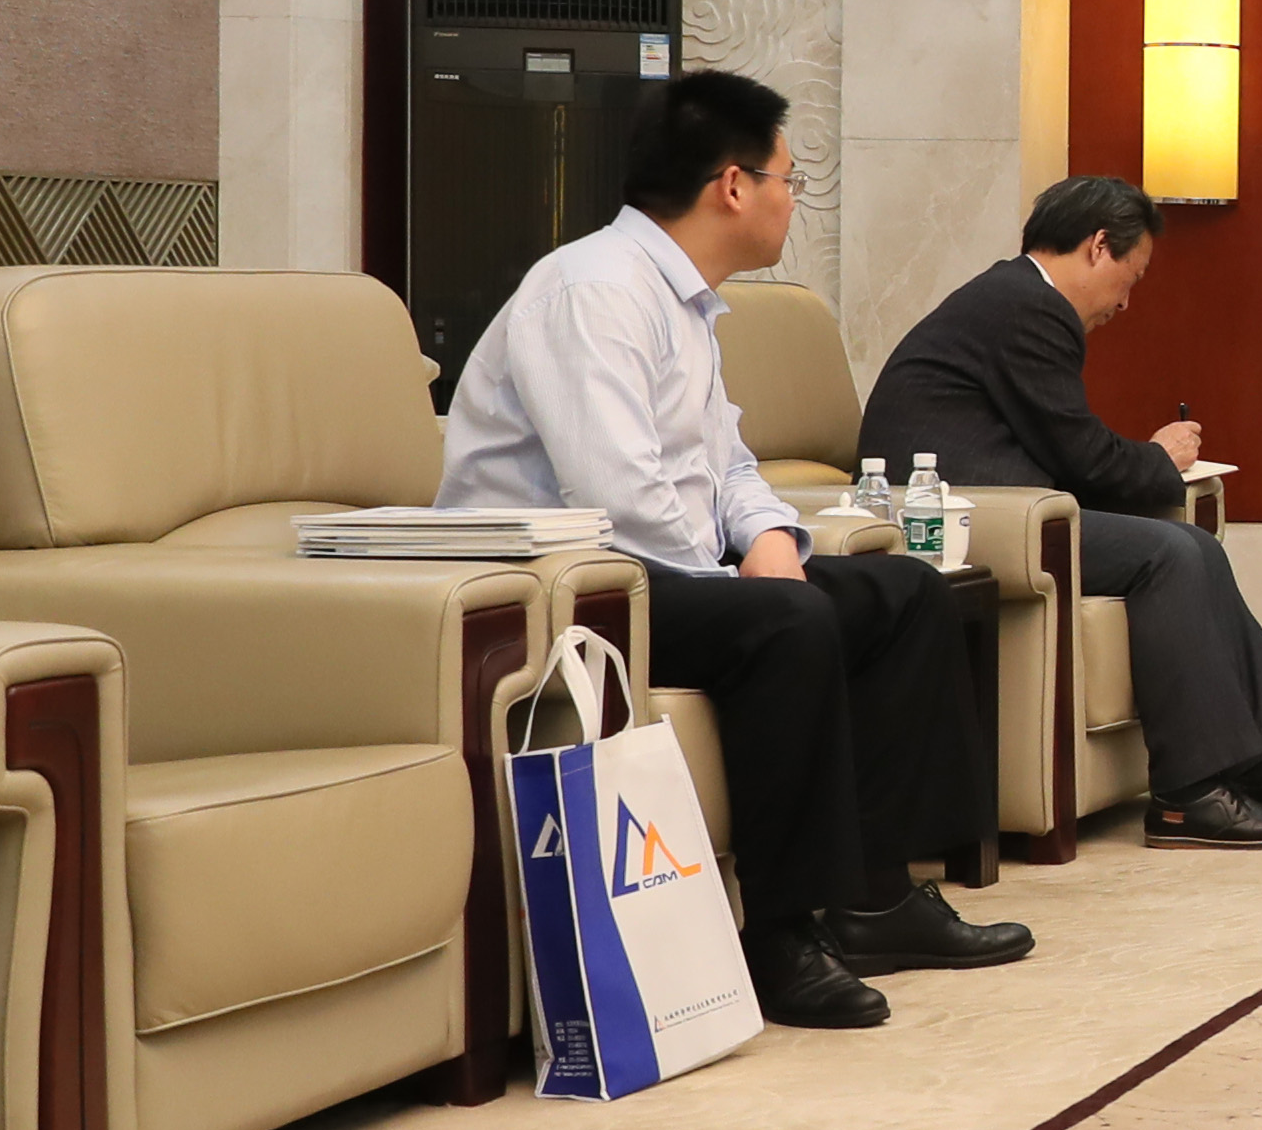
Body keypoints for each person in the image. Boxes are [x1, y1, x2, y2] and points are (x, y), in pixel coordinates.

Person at [438, 69, 1026, 1031]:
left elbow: (730, 466)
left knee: (904, 594)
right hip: (564, 588)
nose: (796, 199)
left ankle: (878, 899)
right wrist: (746, 583)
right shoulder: (591, 290)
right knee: (787, 621)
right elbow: (615, 498)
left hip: (664, 570)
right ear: (733, 185)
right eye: (791, 179)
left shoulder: (688, 303)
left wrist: (771, 539)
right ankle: (781, 937)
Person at [860, 175, 1262, 849]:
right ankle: (1189, 796)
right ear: (1098, 245)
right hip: (960, 520)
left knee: (1192, 546)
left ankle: (1259, 764)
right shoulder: (1028, 306)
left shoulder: (1014, 296)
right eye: (1129, 278)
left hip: (1013, 510)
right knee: (1171, 552)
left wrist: (1149, 464)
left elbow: (1064, 449)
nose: (1126, 302)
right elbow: (1082, 453)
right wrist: (1161, 458)